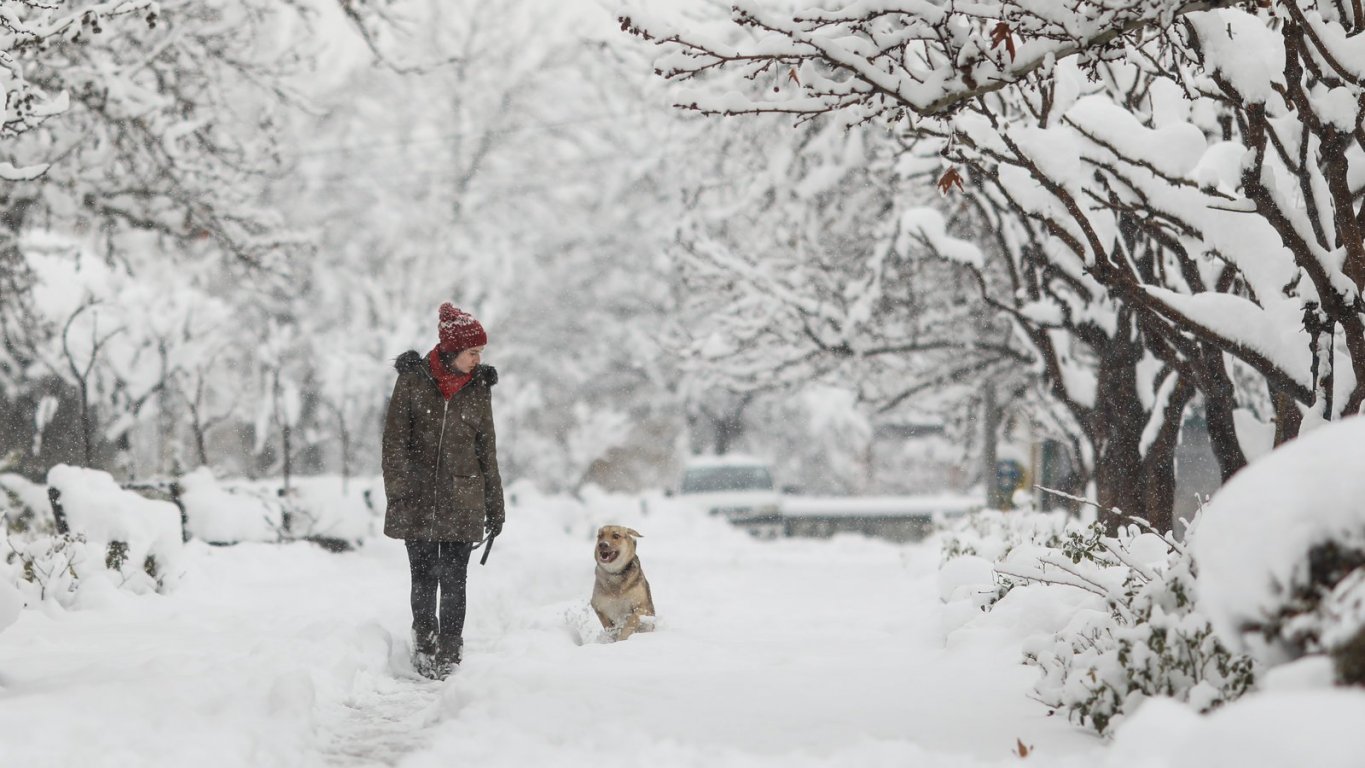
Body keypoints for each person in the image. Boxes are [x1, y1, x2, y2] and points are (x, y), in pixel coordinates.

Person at [382, 303, 504, 679]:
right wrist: (400, 490)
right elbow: (394, 443)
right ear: (452, 351)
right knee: (423, 577)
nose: (477, 358)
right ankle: (425, 641)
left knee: (454, 579)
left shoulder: (478, 389)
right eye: (473, 352)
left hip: (462, 500)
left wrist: (495, 506)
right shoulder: (413, 382)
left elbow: (487, 450)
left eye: (480, 353)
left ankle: (451, 649)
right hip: (417, 498)